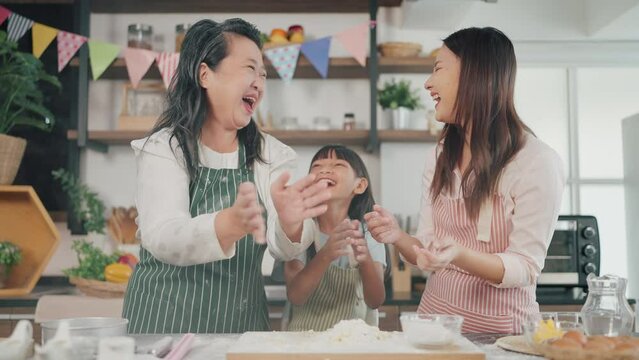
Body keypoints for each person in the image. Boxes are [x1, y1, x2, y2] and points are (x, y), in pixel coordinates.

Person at [122, 18, 331, 334]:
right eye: (249, 68)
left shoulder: (272, 155)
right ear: (205, 74)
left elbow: (285, 249)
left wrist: (290, 223)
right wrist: (227, 224)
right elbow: (163, 236)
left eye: (263, 73)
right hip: (162, 324)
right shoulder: (165, 147)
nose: (259, 81)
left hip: (240, 329)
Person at [364, 27, 565, 334]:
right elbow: (426, 251)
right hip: (432, 331)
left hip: (503, 339)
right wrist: (398, 237)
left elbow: (525, 266)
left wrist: (460, 255)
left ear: (475, 73)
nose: (428, 83)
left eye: (438, 68)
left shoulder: (535, 161)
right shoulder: (441, 155)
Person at [282, 145, 386, 331]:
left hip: (353, 343)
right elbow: (296, 296)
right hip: (302, 343)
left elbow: (376, 300)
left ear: (359, 185)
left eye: (338, 165)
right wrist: (326, 254)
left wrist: (365, 260)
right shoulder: (298, 228)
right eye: (317, 166)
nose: (325, 169)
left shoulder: (370, 232)